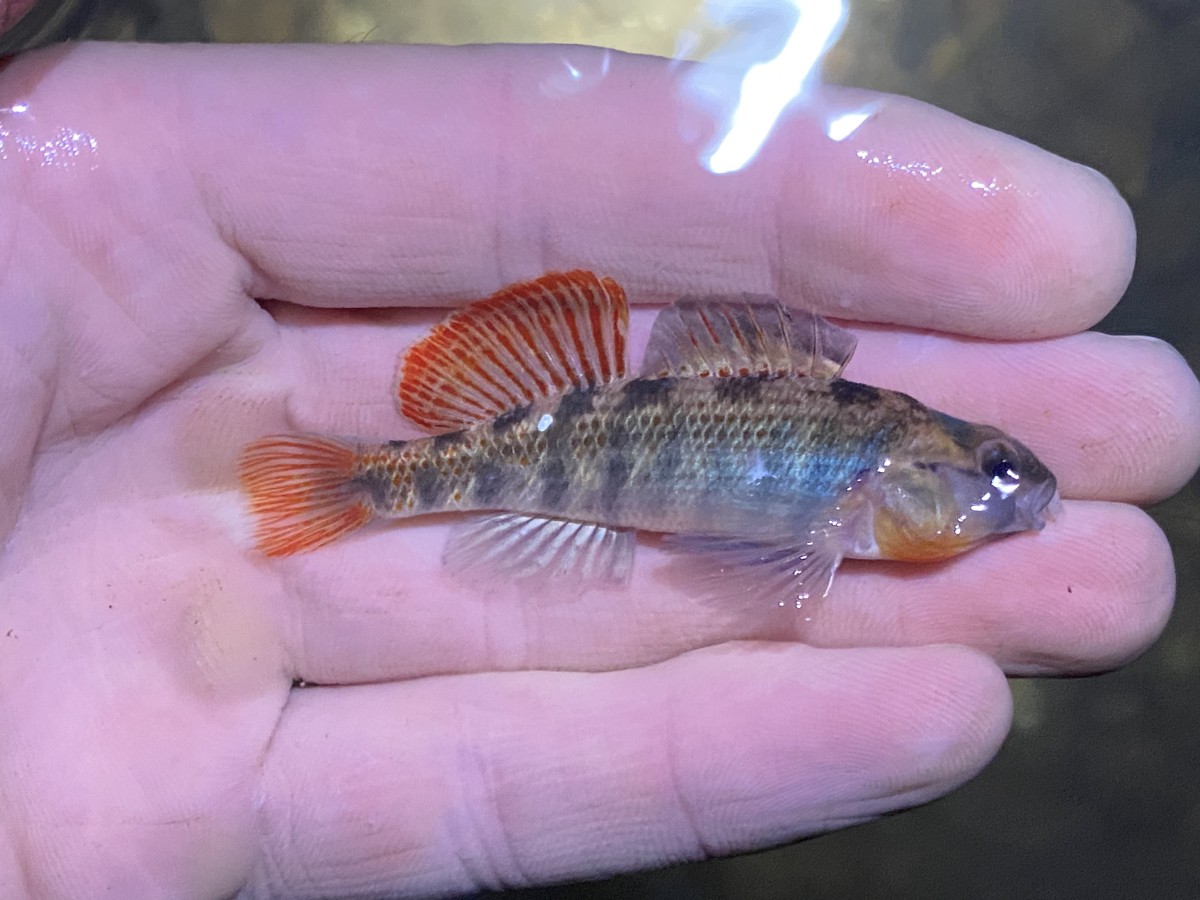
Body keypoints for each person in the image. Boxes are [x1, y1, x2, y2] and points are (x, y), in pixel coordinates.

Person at [0, 38, 1196, 900]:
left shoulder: (871, 493)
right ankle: (358, 484)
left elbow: (762, 563)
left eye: (1000, 479)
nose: (1005, 492)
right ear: (918, 468)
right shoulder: (869, 476)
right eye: (990, 473)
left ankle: (360, 485)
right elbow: (762, 566)